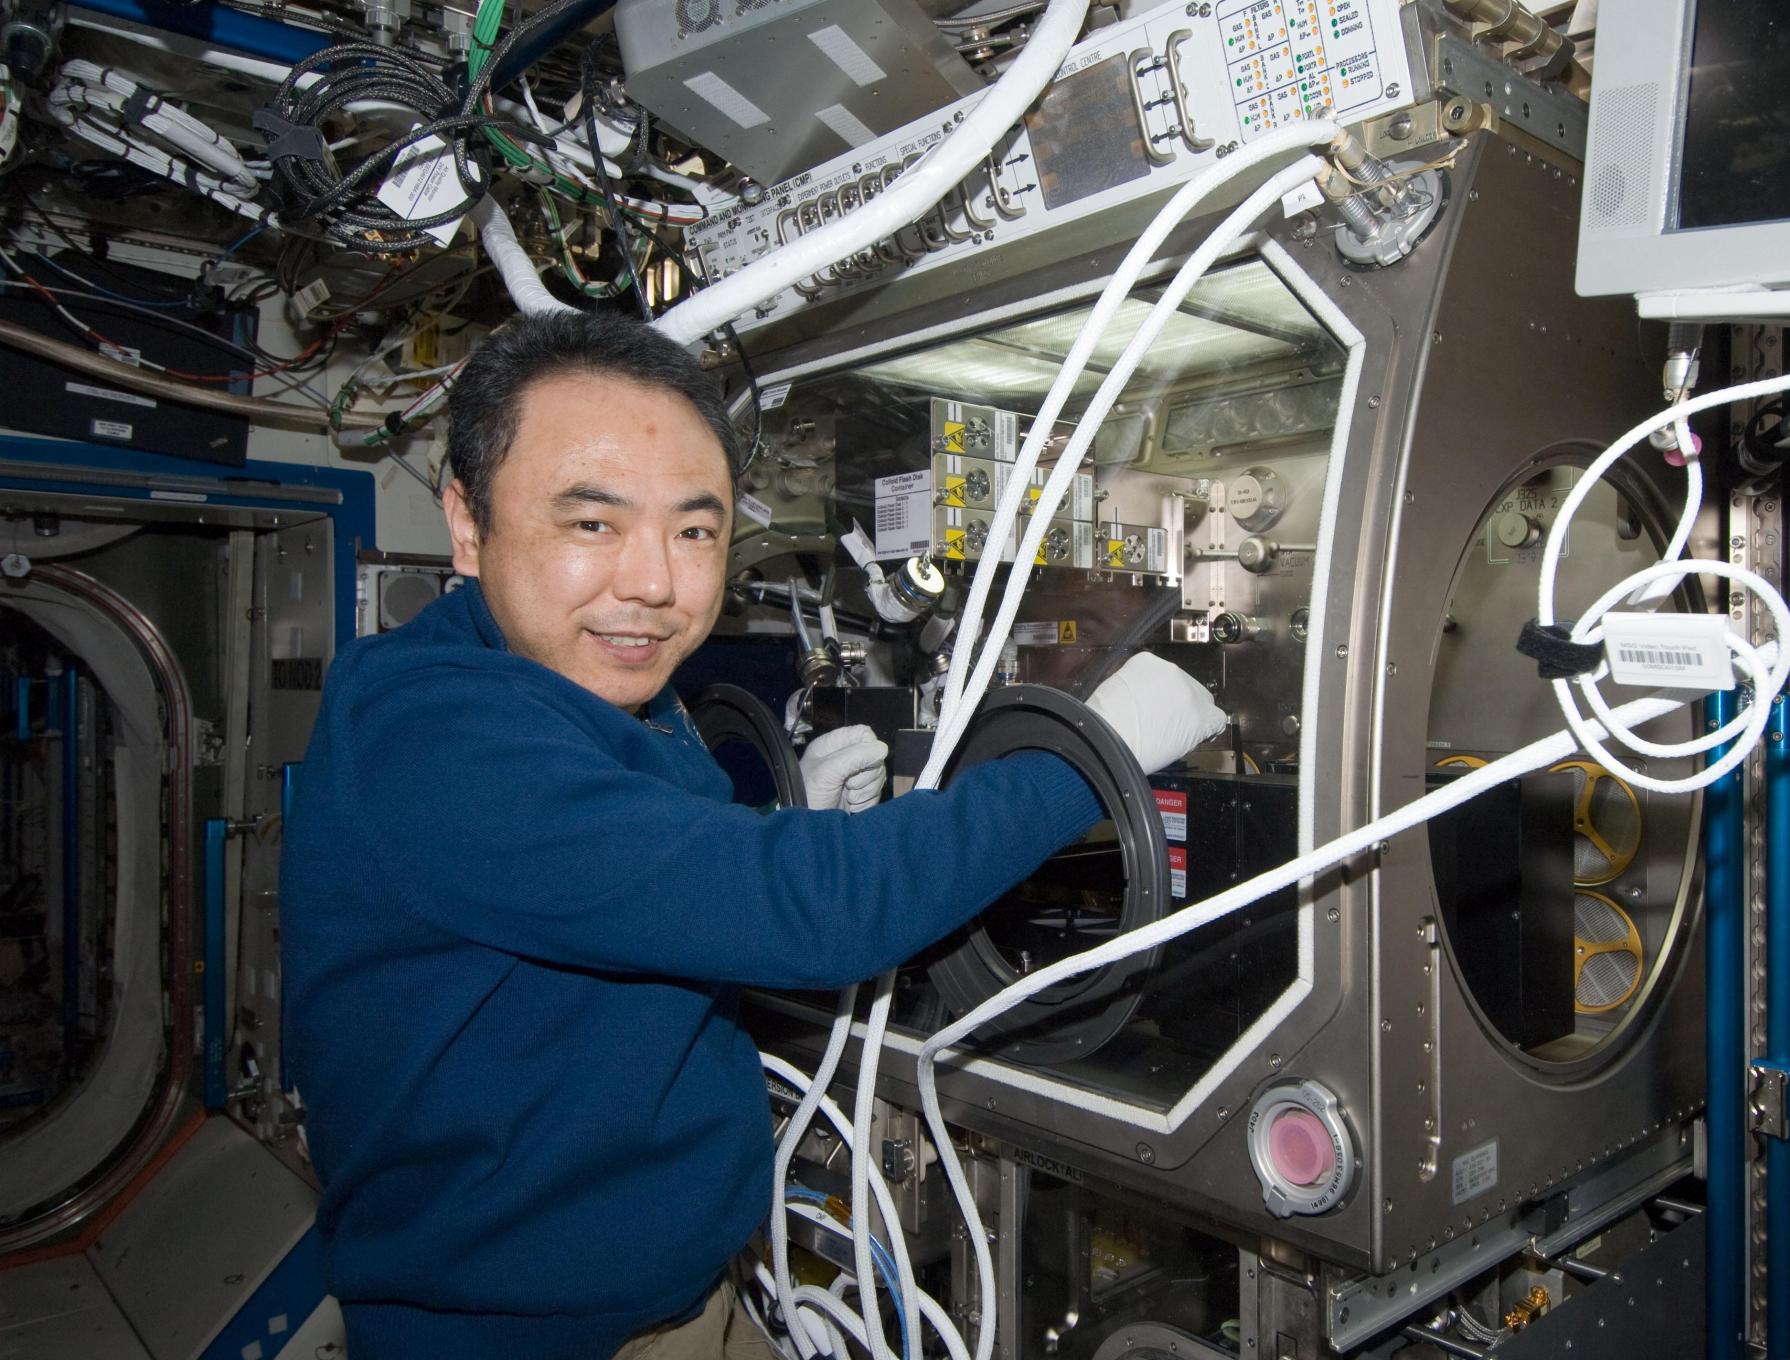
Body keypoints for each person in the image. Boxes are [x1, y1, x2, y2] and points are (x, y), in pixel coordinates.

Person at [281, 310, 1225, 1360]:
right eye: (591, 524)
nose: (652, 583)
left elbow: (630, 881)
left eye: (695, 530)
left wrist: (780, 830)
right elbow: (816, 915)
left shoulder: (590, 685)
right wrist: (1087, 753)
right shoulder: (430, 728)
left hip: (676, 1293)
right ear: (467, 523)